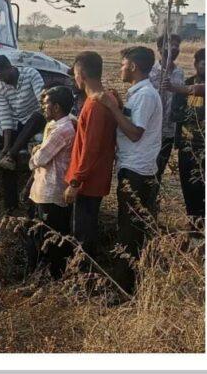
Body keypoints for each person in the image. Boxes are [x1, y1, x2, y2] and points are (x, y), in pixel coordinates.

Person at [99, 46, 163, 294]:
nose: (121, 69)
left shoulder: (146, 94)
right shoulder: (140, 93)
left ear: (134, 67)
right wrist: (120, 105)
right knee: (128, 228)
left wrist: (112, 108)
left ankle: (123, 290)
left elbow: (135, 133)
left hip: (138, 171)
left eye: (124, 64)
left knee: (129, 232)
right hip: (132, 167)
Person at [64, 51, 120, 262]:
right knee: (85, 228)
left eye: (75, 74)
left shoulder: (96, 105)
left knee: (82, 233)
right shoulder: (104, 98)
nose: (75, 79)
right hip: (92, 178)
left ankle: (83, 277)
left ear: (81, 74)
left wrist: (76, 181)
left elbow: (91, 149)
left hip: (88, 181)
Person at [25, 86, 76, 278]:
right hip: (48, 190)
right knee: (51, 236)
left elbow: (38, 160)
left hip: (50, 191)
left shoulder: (61, 130)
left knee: (49, 238)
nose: (43, 108)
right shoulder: (64, 125)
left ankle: (52, 276)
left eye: (46, 105)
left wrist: (34, 153)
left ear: (56, 107)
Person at [0, 55, 45, 211]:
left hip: (38, 117)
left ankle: (11, 155)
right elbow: (6, 117)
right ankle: (10, 207)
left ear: (8, 67)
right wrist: (6, 146)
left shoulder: (30, 74)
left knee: (35, 117)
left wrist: (11, 150)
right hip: (19, 122)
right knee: (4, 161)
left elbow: (42, 101)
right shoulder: (0, 86)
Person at [171, 48, 205, 231]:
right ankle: (193, 221)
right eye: (203, 63)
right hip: (187, 145)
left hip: (205, 147)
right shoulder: (187, 85)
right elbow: (175, 113)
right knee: (188, 185)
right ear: (195, 64)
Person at [149, 33, 184, 182]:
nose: (174, 48)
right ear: (159, 48)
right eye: (171, 45)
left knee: (160, 168)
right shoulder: (151, 71)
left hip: (169, 130)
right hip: (152, 129)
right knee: (148, 168)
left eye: (177, 46)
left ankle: (153, 200)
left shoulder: (179, 72)